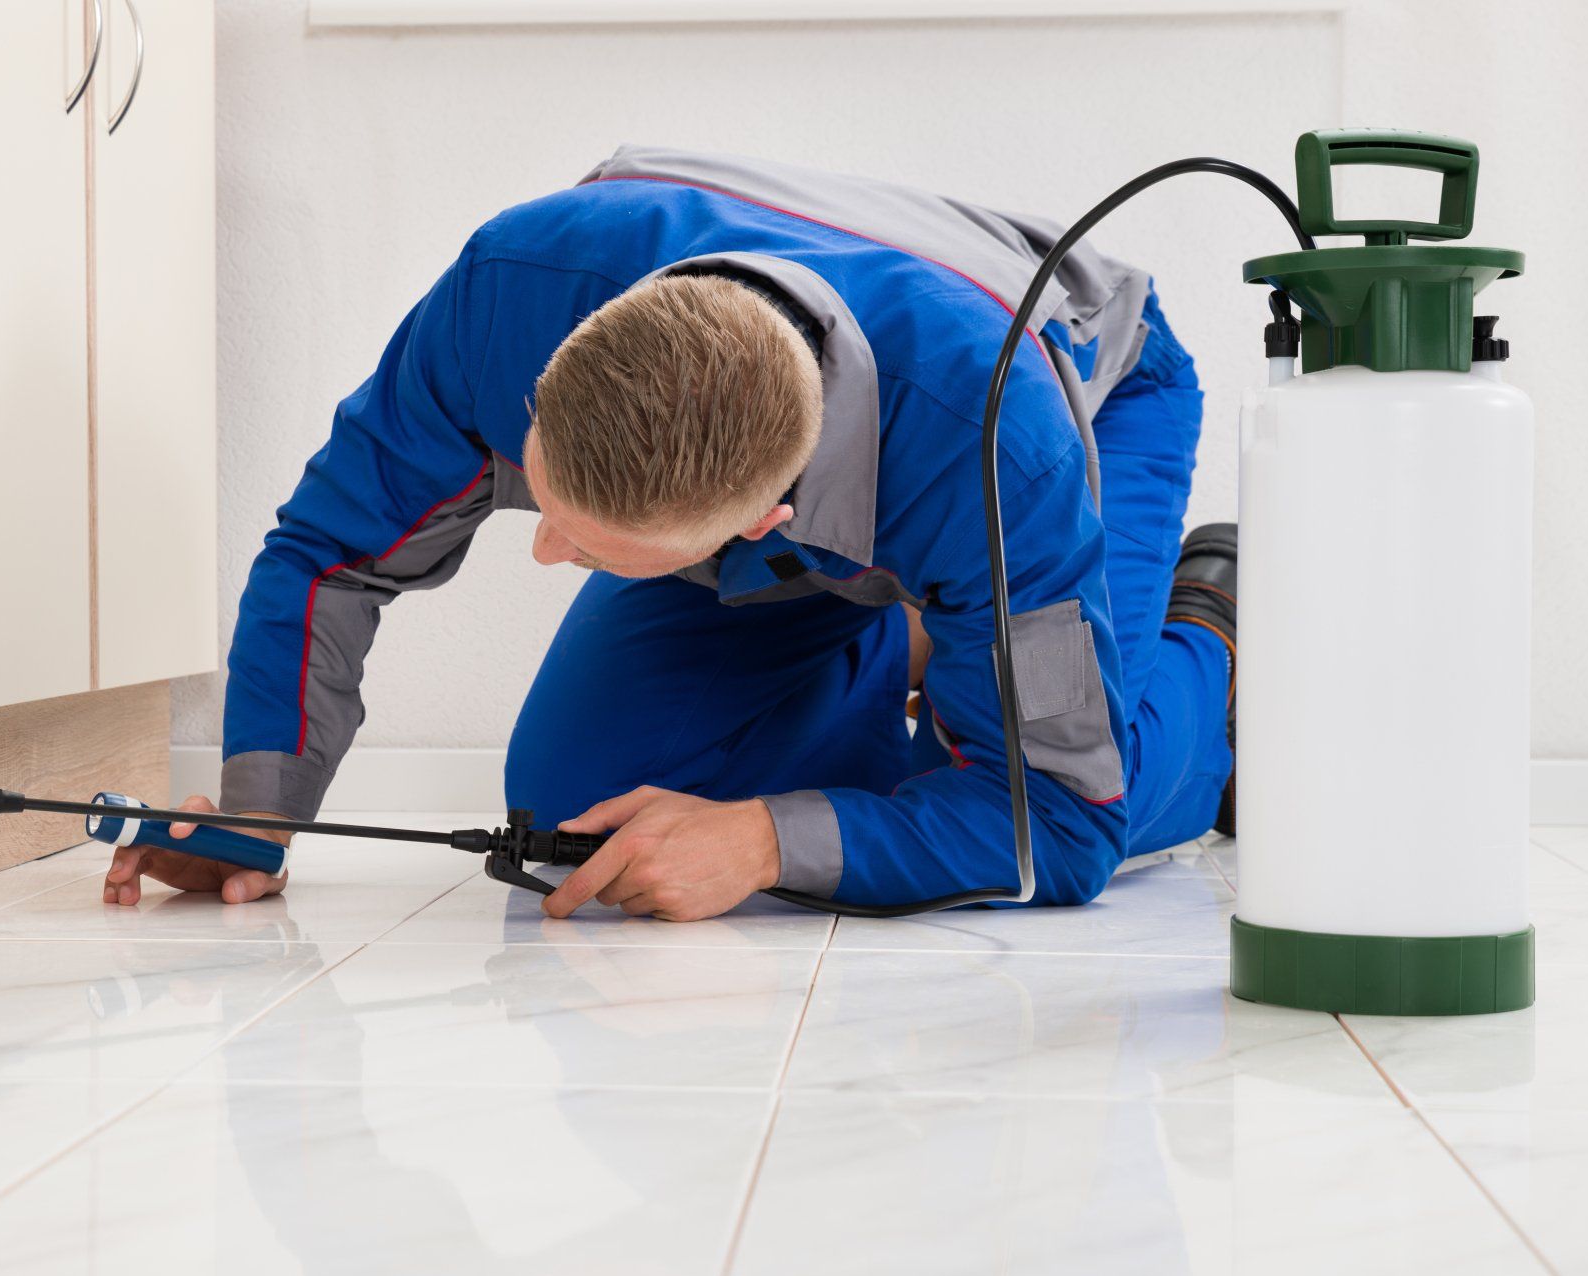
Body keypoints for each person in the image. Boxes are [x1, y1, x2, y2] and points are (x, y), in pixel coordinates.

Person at [101, 146, 1238, 921]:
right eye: (545, 502)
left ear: (760, 528)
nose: (546, 551)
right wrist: (259, 808)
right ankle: (936, 651)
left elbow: (1058, 828)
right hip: (862, 460)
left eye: (588, 549)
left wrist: (764, 843)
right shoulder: (506, 301)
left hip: (1093, 392)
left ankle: (1218, 637)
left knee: (1078, 783)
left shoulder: (1002, 462)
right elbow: (326, 556)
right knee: (576, 807)